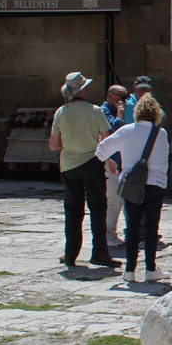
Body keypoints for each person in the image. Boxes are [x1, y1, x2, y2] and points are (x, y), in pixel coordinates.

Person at [96, 94, 171, 284]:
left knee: (132, 227)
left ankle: (130, 270)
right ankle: (151, 268)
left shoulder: (126, 130)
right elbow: (164, 160)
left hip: (131, 184)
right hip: (155, 183)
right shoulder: (160, 133)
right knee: (152, 228)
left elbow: (101, 150)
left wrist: (113, 162)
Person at [48, 71, 119, 269]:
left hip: (69, 165)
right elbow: (107, 139)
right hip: (91, 162)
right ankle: (99, 253)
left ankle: (70, 255)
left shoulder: (61, 112)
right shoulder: (95, 111)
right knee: (97, 209)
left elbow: (53, 145)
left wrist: (71, 141)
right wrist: (110, 161)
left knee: (72, 211)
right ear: (84, 90)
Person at [100, 85, 130, 249]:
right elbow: (114, 131)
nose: (124, 101)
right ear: (111, 95)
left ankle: (110, 232)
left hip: (119, 161)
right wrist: (119, 113)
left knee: (118, 199)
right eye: (121, 97)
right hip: (108, 162)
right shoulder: (103, 111)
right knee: (113, 200)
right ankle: (108, 234)